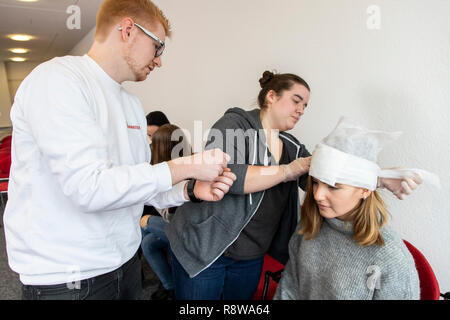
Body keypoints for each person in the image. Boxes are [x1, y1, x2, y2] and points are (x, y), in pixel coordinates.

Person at [4, 0, 235, 300]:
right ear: (128, 30)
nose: (159, 61)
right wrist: (186, 166)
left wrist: (189, 190)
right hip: (68, 278)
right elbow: (89, 188)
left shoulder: (131, 104)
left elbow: (138, 184)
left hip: (125, 264)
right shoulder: (59, 80)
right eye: (158, 48)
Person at [166, 71, 422, 300]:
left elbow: (327, 177)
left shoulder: (292, 146)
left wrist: (377, 178)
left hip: (250, 254)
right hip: (205, 247)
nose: (301, 110)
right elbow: (226, 174)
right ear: (271, 97)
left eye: (305, 106)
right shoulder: (234, 125)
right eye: (296, 101)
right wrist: (288, 170)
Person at [273, 117, 434, 300]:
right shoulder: (309, 227)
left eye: (333, 186)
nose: (317, 195)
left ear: (365, 189)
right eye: (316, 183)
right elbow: (289, 289)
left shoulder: (389, 257)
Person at [140, 123, 190, 300]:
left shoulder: (184, 176)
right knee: (148, 243)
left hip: (185, 234)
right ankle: (170, 286)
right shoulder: (168, 170)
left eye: (152, 141)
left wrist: (150, 221)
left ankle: (173, 288)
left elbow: (177, 226)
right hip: (174, 225)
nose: (150, 144)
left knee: (144, 224)